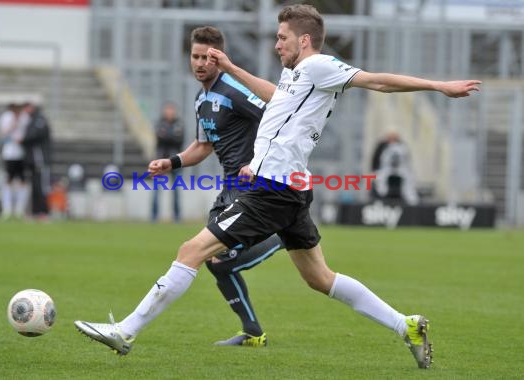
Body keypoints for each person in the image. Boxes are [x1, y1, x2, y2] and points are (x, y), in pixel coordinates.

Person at [75, 4, 480, 369]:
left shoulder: (321, 65)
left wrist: (439, 87)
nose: (275, 44)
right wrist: (232, 70)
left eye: (281, 37)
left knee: (192, 250)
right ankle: (406, 325)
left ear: (304, 40)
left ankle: (125, 331)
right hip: (286, 187)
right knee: (320, 278)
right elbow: (276, 98)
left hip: (273, 189)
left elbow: (377, 81)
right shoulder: (296, 74)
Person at [150, 26, 283, 345]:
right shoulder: (202, 98)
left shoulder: (235, 91)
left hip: (252, 187)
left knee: (218, 258)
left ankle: (282, 235)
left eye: (207, 58)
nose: (199, 63)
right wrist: (172, 162)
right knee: (217, 264)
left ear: (219, 58)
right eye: (195, 57)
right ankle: (252, 332)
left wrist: (258, 161)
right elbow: (203, 145)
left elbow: (279, 114)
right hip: (229, 189)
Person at [151, 102, 184, 222]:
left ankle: (177, 216)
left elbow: (179, 140)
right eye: (168, 110)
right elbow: (160, 138)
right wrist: (170, 136)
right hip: (160, 161)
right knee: (156, 190)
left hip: (175, 161)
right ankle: (154, 216)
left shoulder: (179, 124)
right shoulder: (160, 123)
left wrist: (167, 136)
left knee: (176, 191)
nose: (169, 112)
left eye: (171, 110)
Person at [19, 103, 51, 219]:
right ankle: (35, 212)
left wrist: (22, 139)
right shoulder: (32, 120)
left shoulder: (39, 120)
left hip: (40, 160)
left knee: (41, 186)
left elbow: (33, 135)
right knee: (34, 186)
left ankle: (44, 212)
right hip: (32, 160)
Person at [371, 129, 419, 205]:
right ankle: (378, 201)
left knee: (409, 179)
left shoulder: (403, 146)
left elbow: (407, 161)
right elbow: (375, 160)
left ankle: (412, 202)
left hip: (401, 169)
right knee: (379, 180)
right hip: (386, 169)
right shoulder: (382, 146)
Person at [0, 103, 28, 219]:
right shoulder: (6, 117)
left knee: (22, 181)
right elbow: (4, 133)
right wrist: (14, 123)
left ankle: (20, 209)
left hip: (21, 153)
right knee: (8, 180)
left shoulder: (25, 117)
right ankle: (7, 209)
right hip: (9, 154)